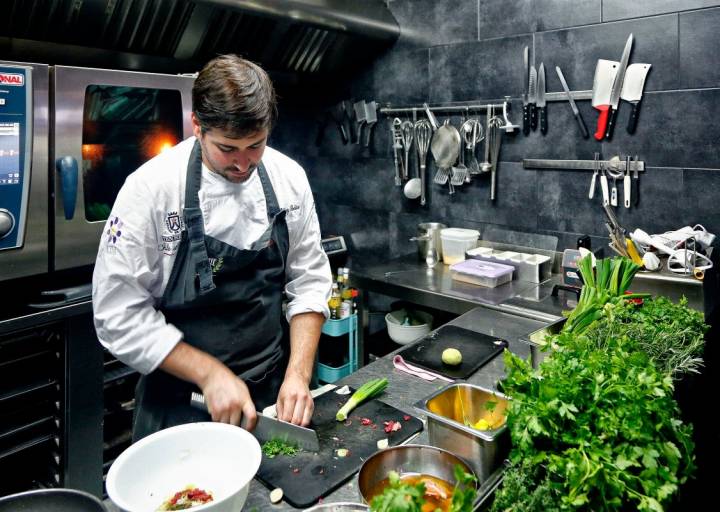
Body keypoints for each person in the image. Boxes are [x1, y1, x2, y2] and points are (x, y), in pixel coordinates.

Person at [92, 54, 332, 441]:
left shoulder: (289, 178)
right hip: (179, 406)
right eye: (227, 148)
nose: (243, 164)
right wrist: (210, 374)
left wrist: (298, 375)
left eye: (256, 146)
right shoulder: (151, 190)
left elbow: (309, 279)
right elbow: (117, 314)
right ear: (197, 126)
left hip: (270, 399)